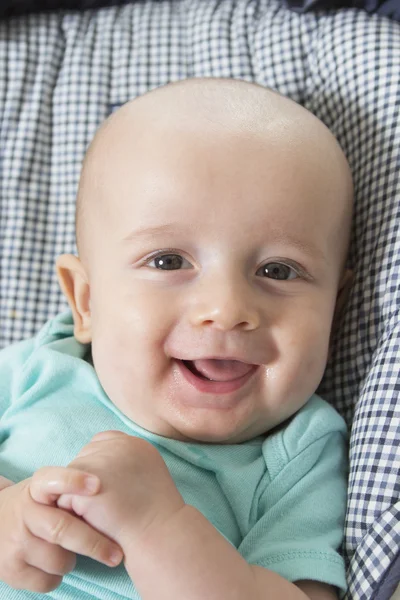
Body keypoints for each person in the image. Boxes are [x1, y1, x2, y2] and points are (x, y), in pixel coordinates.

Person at [0, 77, 354, 600]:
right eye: (168, 261)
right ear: (86, 302)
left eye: (279, 270)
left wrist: (158, 529)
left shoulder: (299, 451)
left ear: (335, 309)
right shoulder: (37, 367)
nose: (226, 309)